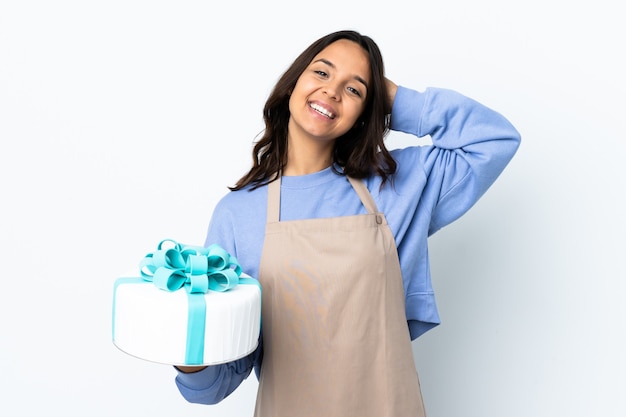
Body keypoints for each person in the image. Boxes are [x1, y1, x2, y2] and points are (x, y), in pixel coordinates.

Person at [173, 29, 521, 416]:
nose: (332, 92)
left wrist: (392, 98)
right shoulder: (237, 214)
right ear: (293, 82)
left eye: (353, 90)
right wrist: (187, 351)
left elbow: (494, 140)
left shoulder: (396, 184)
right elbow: (215, 383)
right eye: (321, 73)